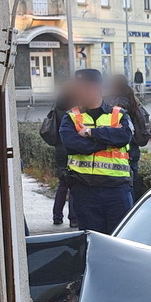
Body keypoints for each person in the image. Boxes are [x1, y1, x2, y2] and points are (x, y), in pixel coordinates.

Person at [58, 68, 134, 234]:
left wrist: (91, 133)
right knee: (91, 242)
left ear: (97, 89)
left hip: (117, 190)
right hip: (85, 190)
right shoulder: (70, 117)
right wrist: (107, 143)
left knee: (119, 240)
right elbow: (74, 145)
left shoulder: (119, 114)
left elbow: (124, 136)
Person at [108, 74, 151, 203]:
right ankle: (137, 205)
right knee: (134, 176)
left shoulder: (119, 103)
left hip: (127, 147)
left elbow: (116, 127)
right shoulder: (132, 98)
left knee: (129, 180)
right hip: (134, 145)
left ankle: (132, 208)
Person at [39, 81, 77, 227]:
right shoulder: (75, 108)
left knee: (63, 183)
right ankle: (73, 219)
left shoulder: (57, 105)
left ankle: (57, 216)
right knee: (74, 183)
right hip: (71, 147)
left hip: (59, 148)